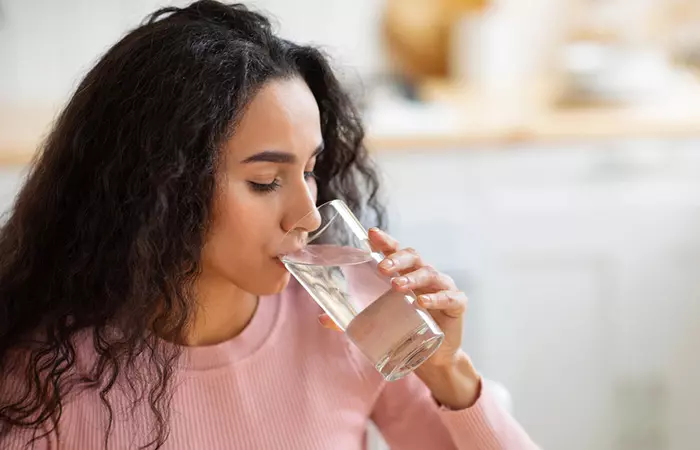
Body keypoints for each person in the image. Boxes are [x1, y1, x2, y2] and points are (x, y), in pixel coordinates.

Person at [0, 1, 538, 449]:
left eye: (310, 170)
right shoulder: (47, 375)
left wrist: (449, 372)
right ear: (158, 185)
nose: (308, 214)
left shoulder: (350, 320)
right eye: (264, 181)